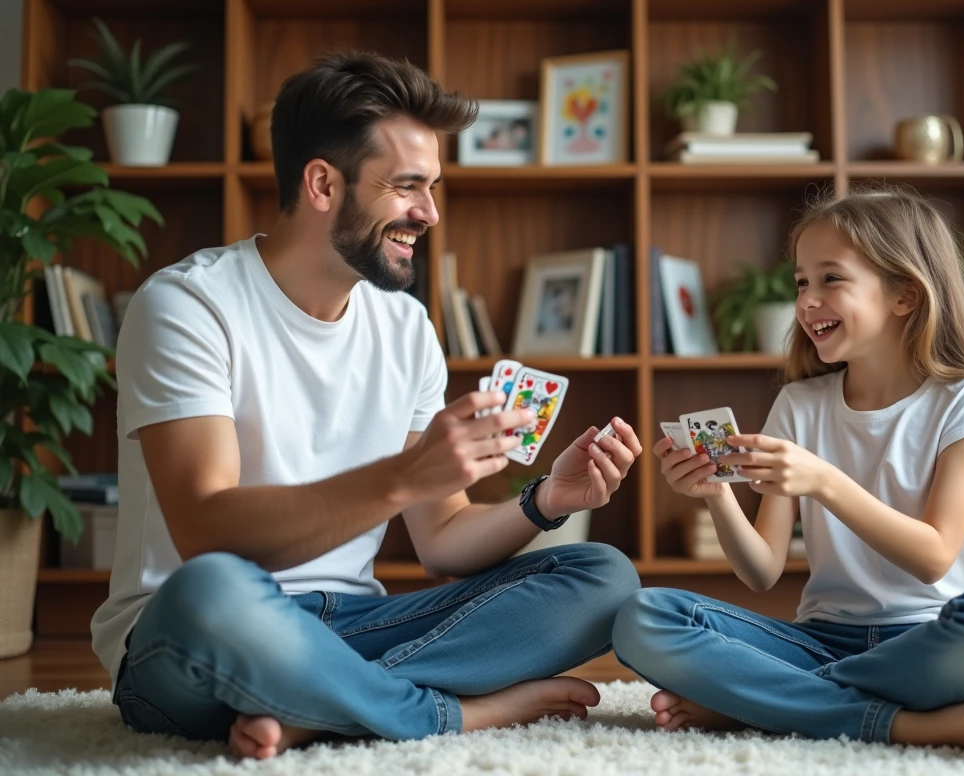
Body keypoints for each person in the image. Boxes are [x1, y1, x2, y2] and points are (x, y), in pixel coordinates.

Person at [90, 51, 643, 760]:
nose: (431, 213)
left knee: (601, 576)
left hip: (350, 623)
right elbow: (206, 530)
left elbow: (442, 539)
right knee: (213, 589)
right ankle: (445, 714)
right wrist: (406, 474)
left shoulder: (407, 330)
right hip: (196, 635)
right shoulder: (188, 306)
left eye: (434, 187)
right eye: (408, 187)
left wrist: (544, 503)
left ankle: (320, 707)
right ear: (323, 183)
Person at [612, 188, 964, 758]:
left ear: (905, 295)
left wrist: (823, 480)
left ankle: (758, 703)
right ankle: (907, 723)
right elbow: (761, 571)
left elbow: (935, 556)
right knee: (643, 617)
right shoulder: (800, 405)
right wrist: (715, 495)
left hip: (933, 638)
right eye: (801, 283)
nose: (807, 301)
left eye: (831, 279)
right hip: (822, 642)